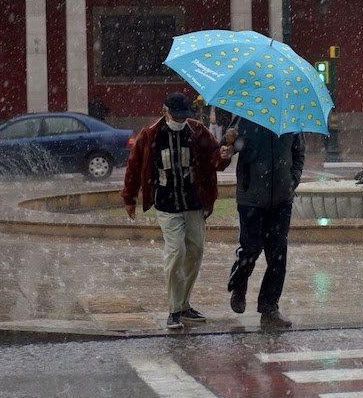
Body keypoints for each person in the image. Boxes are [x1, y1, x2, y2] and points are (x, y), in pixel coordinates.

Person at [121, 92, 230, 329]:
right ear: (165, 112)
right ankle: (174, 310)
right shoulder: (150, 135)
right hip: (167, 204)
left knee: (195, 251)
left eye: (183, 117)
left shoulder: (198, 131)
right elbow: (135, 165)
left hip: (194, 203)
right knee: (176, 251)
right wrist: (129, 197)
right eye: (176, 116)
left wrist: (223, 156)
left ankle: (184, 304)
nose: (180, 121)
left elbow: (215, 159)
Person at [220, 116, 305, 329]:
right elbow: (228, 144)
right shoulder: (247, 114)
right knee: (251, 248)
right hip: (251, 198)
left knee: (278, 256)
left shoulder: (291, 119)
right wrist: (227, 149)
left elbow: (299, 153)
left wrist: (292, 180)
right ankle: (239, 284)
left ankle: (269, 308)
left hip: (281, 200)